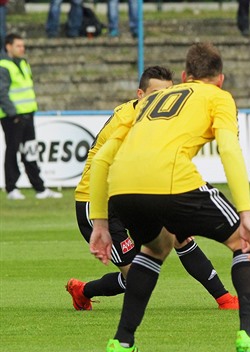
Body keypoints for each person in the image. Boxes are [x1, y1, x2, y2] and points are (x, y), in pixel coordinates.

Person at [88, 42, 250, 352]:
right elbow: (229, 150)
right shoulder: (218, 97)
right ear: (220, 79)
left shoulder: (149, 102)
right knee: (244, 241)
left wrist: (99, 221)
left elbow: (100, 160)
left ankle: (122, 343)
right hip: (170, 181)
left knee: (156, 247)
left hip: (122, 188)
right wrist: (245, 212)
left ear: (184, 76)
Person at [68, 65, 238, 312]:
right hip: (97, 202)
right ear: (140, 94)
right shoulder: (125, 119)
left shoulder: (158, 119)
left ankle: (224, 299)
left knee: (180, 237)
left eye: (167, 92)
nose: (162, 98)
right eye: (155, 92)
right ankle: (83, 291)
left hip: (134, 194)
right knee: (135, 278)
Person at [0, 34, 62, 200]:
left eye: (23, 45)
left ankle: (39, 188)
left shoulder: (24, 63)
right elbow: (2, 92)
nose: (22, 48)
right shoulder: (3, 65)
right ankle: (11, 188)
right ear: (8, 46)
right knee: (12, 151)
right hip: (12, 117)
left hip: (28, 113)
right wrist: (13, 113)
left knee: (31, 151)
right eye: (18, 45)